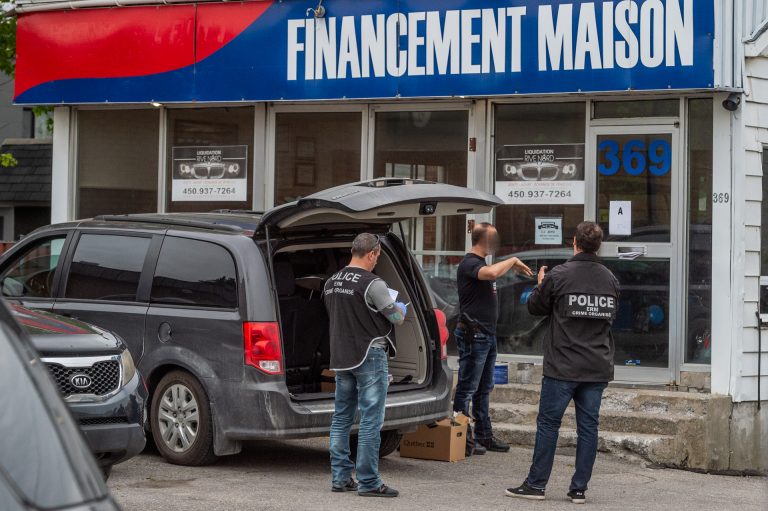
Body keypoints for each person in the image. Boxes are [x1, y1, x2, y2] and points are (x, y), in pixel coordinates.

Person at [506, 221, 620, 505]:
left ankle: (536, 485)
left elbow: (535, 307)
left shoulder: (559, 275)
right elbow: (610, 317)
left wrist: (540, 286)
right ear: (598, 246)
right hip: (596, 366)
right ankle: (578, 489)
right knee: (588, 428)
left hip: (562, 366)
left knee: (548, 424)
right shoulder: (610, 279)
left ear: (574, 243)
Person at [323, 233, 407, 498]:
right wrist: (401, 309)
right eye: (378, 256)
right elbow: (395, 317)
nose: (376, 261)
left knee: (341, 418)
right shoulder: (373, 283)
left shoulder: (331, 282)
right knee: (371, 419)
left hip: (341, 356)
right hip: (370, 356)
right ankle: (369, 481)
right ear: (372, 253)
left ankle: (340, 478)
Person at [453, 222, 533, 456]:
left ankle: (484, 436)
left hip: (486, 334)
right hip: (473, 334)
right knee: (468, 387)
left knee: (484, 387)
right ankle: (462, 437)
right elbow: (491, 273)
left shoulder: (482, 263)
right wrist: (514, 260)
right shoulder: (470, 263)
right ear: (483, 241)